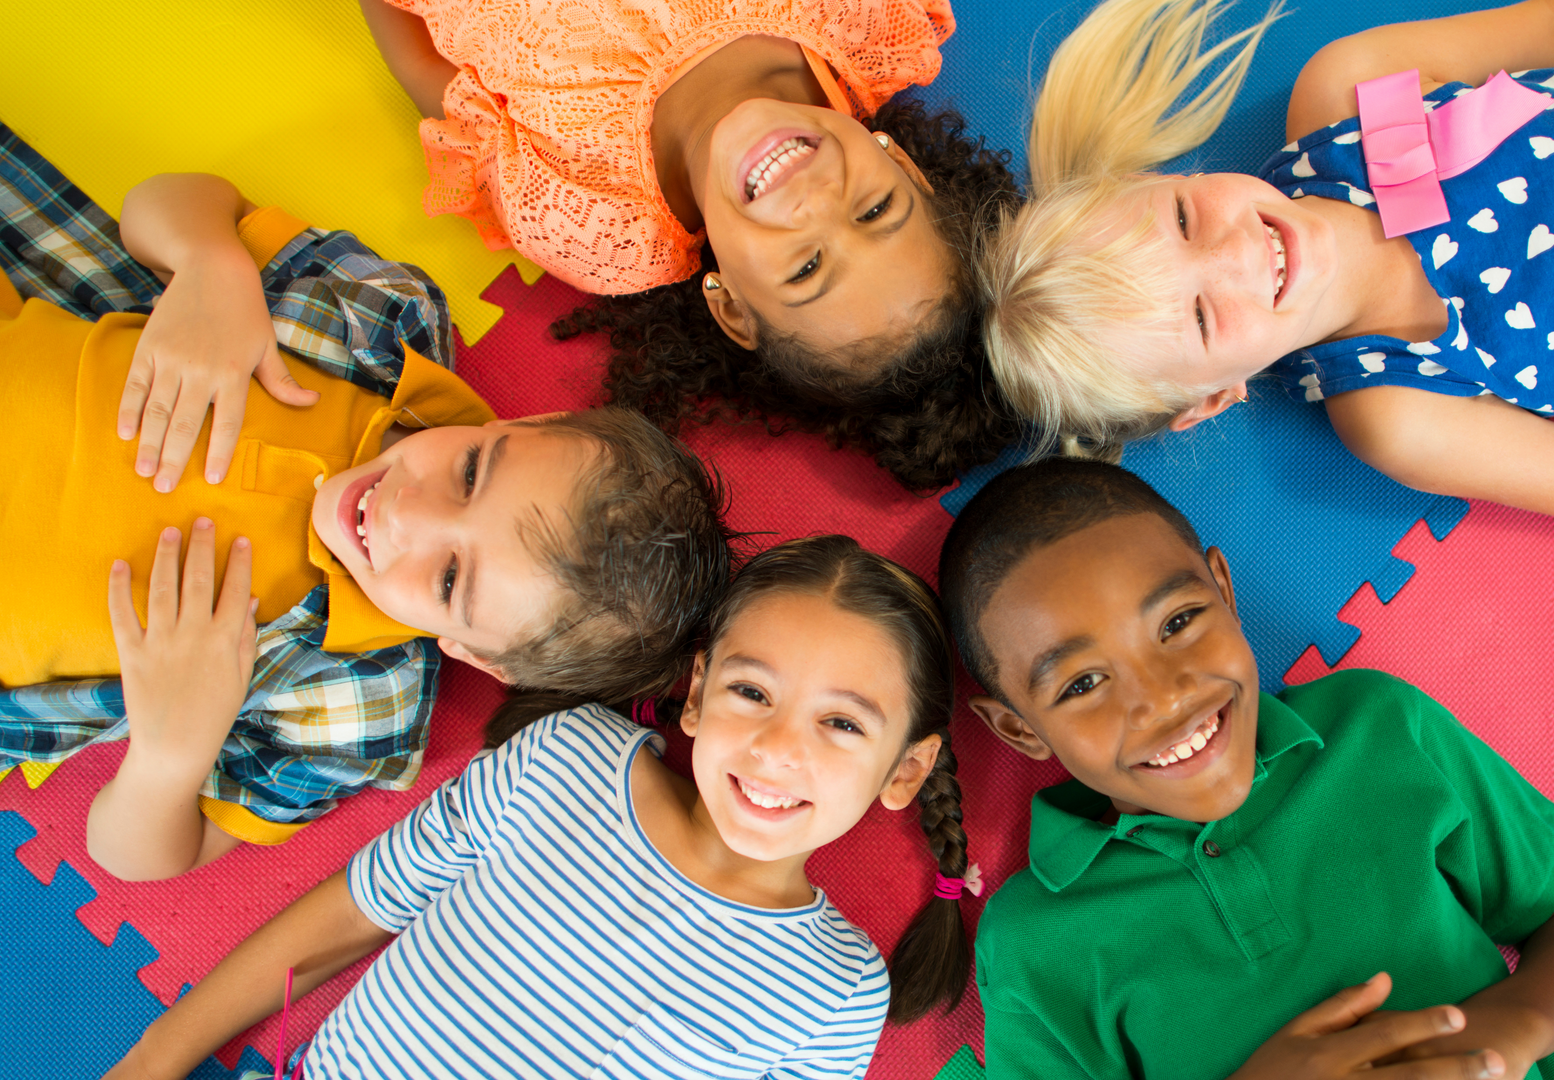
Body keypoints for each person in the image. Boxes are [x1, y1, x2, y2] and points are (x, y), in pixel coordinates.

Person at [0, 130, 734, 881]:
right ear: (523, 426)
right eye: (472, 472)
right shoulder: (380, 328)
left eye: (451, 579)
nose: (406, 513)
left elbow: (140, 858)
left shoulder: (354, 705)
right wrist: (208, 263)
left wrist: (168, 751)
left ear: (475, 656)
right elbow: (160, 205)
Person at [982, 0, 1554, 533]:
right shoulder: (1400, 410)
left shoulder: (1344, 95)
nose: (1238, 251)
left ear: (1168, 176)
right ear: (1212, 399)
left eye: (1184, 217)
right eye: (1199, 318)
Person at [104, 535, 973, 1078]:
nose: (780, 748)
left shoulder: (837, 994)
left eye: (841, 723)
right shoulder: (566, 761)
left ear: (905, 771)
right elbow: (353, 911)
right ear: (698, 694)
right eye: (753, 692)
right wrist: (158, 1056)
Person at [938, 459, 1554, 1079]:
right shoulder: (1033, 945)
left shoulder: (1376, 727)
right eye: (1083, 684)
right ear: (1019, 729)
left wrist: (1506, 1035)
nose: (1165, 697)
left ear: (1223, 590)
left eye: (1178, 623)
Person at [359, 0, 1026, 491]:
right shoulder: (864, 19)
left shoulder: (588, 221)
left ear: (732, 306)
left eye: (808, 267)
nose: (812, 201)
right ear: (905, 166)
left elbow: (422, 63)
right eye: (877, 209)